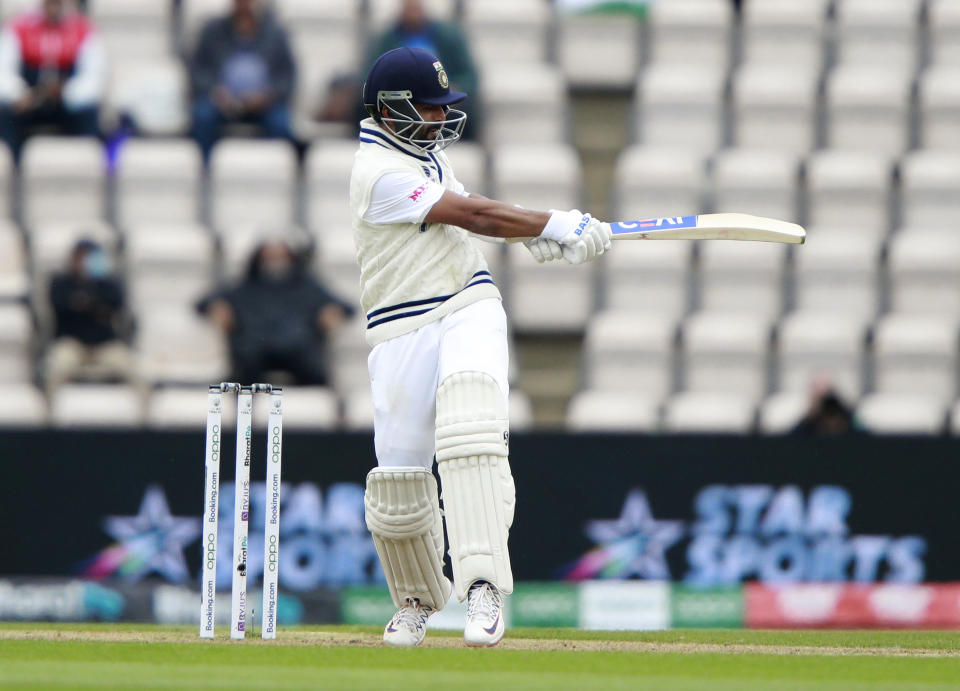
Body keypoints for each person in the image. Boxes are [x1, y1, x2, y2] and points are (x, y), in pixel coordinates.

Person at [351, 47, 611, 648]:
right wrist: (552, 224)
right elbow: (475, 216)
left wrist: (539, 236)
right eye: (428, 108)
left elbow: (476, 219)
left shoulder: (425, 158)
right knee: (398, 481)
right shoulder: (378, 172)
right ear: (390, 110)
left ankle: (482, 589)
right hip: (397, 329)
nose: (441, 120)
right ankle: (416, 601)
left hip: (468, 306)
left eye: (445, 108)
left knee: (470, 434)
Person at [197, 239, 353, 386]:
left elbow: (345, 307)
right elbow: (204, 303)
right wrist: (218, 309)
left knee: (314, 368)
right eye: (270, 257)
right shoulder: (246, 286)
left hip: (299, 349)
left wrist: (331, 312)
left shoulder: (306, 286)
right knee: (244, 365)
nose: (275, 261)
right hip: (253, 348)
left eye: (281, 257)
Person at [189, 0, 295, 161]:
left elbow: (287, 76)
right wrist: (215, 92)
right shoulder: (212, 31)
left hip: (263, 105)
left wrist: (267, 96)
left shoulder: (276, 34)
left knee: (280, 123)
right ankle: (204, 170)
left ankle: (273, 168)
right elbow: (198, 72)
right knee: (202, 115)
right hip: (222, 104)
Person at [0, 0, 105, 160]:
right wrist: (20, 94)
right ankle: (12, 170)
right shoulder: (19, 26)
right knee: (4, 113)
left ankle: (83, 167)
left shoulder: (83, 29)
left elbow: (93, 77)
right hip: (29, 99)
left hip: (66, 101)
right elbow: (4, 70)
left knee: (90, 113)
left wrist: (66, 93)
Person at [366, 0, 480, 141]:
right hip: (405, 103)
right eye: (409, 6)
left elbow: (470, 77)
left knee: (463, 111)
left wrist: (452, 88)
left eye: (417, 6)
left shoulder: (449, 36)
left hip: (443, 97)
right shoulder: (387, 38)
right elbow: (370, 76)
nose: (441, 117)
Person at [44, 238, 133, 393]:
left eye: (89, 257)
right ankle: (47, 413)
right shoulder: (61, 282)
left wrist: (85, 299)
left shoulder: (108, 283)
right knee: (56, 368)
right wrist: (92, 304)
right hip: (72, 345)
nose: (84, 262)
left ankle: (143, 416)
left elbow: (115, 304)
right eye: (81, 257)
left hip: (104, 346)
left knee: (134, 370)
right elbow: (61, 305)